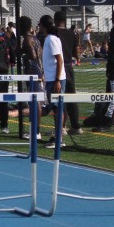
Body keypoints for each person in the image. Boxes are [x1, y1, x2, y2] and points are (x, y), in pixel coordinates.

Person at [39, 15, 67, 147]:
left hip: (56, 79)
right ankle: (57, 136)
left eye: (40, 24)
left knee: (57, 108)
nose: (39, 27)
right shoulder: (49, 39)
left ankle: (59, 139)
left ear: (44, 26)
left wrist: (57, 80)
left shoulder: (51, 39)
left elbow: (59, 60)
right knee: (55, 108)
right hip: (51, 78)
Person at [53, 11, 83, 136]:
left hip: (58, 66)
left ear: (55, 20)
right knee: (71, 96)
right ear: (65, 21)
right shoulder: (72, 33)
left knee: (59, 97)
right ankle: (76, 126)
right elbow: (76, 53)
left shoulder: (53, 33)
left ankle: (62, 127)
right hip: (69, 66)